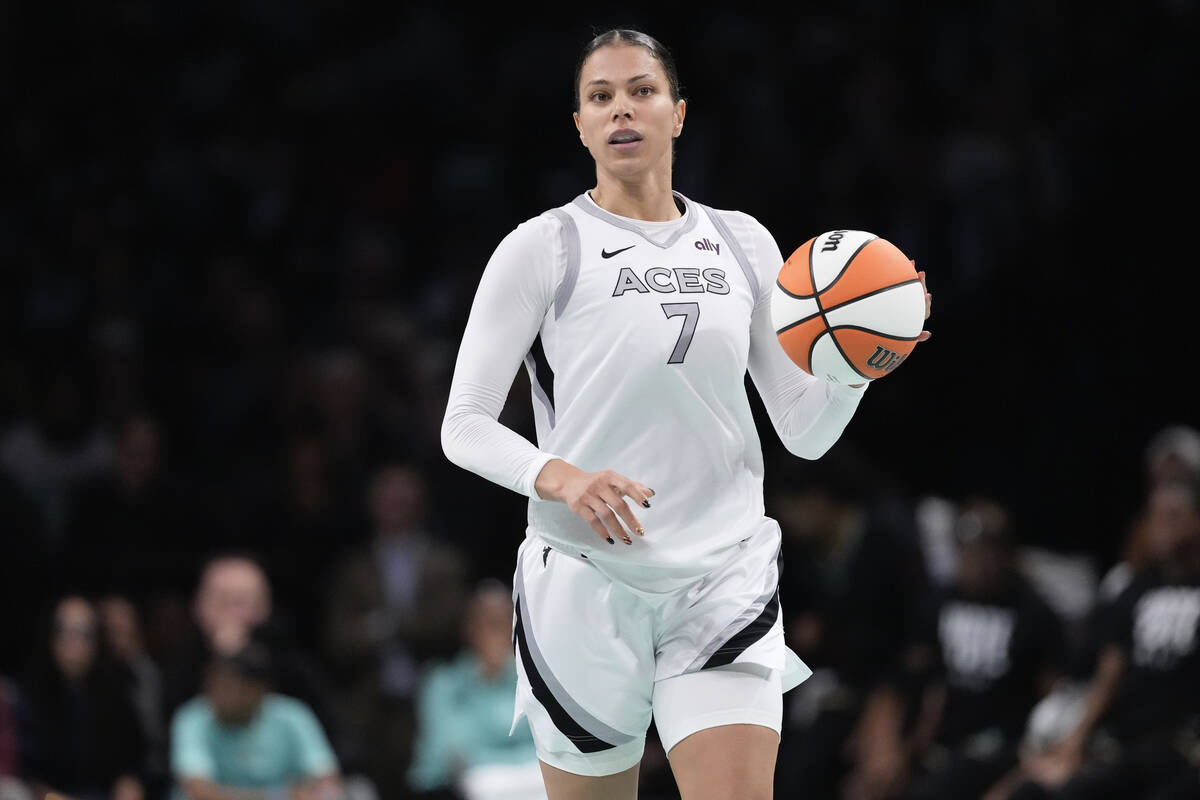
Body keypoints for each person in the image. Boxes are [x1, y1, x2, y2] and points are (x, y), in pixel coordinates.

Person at [439, 28, 932, 800]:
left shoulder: (742, 242)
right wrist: (561, 478)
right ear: (579, 124)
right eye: (600, 97)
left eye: (641, 90)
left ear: (678, 113)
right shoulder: (543, 248)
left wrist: (857, 366)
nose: (621, 110)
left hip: (721, 573)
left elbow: (802, 432)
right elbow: (462, 424)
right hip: (583, 577)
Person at [842, 497, 1066, 800]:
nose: (978, 559)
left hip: (997, 748)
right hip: (934, 741)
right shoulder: (937, 603)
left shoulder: (1035, 615)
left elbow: (1053, 700)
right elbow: (900, 681)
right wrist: (886, 746)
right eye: (969, 547)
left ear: (1008, 553)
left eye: (990, 546)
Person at [999, 476, 1200, 800]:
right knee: (1035, 792)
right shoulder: (1135, 589)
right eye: (1155, 516)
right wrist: (1076, 740)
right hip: (1128, 741)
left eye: (1173, 516)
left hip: (1183, 747)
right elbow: (1110, 674)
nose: (1161, 527)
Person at [320, 462, 469, 799]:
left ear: (421, 504)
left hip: (433, 696)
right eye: (387, 498)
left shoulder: (444, 562)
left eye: (404, 498)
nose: (395, 505)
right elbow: (338, 637)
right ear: (371, 504)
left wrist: (382, 625)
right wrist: (401, 625)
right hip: (368, 703)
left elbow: (449, 622)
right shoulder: (352, 567)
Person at [406, 580, 542, 800]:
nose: (495, 633)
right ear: (469, 628)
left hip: (528, 781)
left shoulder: (532, 679)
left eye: (503, 623)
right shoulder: (443, 682)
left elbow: (548, 741)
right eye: (487, 623)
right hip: (451, 788)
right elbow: (455, 754)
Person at [169, 642, 345, 800]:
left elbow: (326, 777)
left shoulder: (292, 714)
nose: (217, 695)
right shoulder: (192, 718)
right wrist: (279, 796)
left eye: (228, 687)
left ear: (259, 690)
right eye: (212, 685)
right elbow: (199, 791)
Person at [14, 595, 148, 800]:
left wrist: (130, 782)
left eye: (86, 633)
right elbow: (25, 773)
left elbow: (133, 759)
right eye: (66, 632)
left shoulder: (115, 695)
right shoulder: (29, 698)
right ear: (51, 637)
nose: (76, 642)